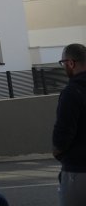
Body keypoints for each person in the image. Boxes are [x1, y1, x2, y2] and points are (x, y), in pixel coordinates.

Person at [53, 43, 86, 206]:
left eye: (63, 63)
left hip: (78, 170)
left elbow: (62, 134)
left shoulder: (71, 92)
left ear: (71, 63)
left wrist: (58, 152)